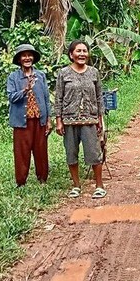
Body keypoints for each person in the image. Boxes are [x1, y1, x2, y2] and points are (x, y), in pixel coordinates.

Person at [54, 40, 107, 199]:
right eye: (78, 51)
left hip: (90, 120)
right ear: (71, 54)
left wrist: (100, 119)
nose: (82, 54)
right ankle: (76, 186)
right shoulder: (64, 73)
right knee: (71, 153)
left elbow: (99, 97)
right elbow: (59, 98)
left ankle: (99, 185)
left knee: (94, 153)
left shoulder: (93, 72)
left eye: (85, 51)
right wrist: (58, 120)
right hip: (69, 120)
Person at [6, 43, 52, 187]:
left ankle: (42, 178)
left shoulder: (40, 75)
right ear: (19, 59)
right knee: (21, 152)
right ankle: (21, 181)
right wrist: (25, 90)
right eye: (24, 55)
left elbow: (45, 98)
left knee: (41, 150)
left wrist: (49, 120)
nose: (27, 58)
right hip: (21, 121)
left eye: (29, 55)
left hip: (39, 120)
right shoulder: (13, 77)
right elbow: (12, 97)